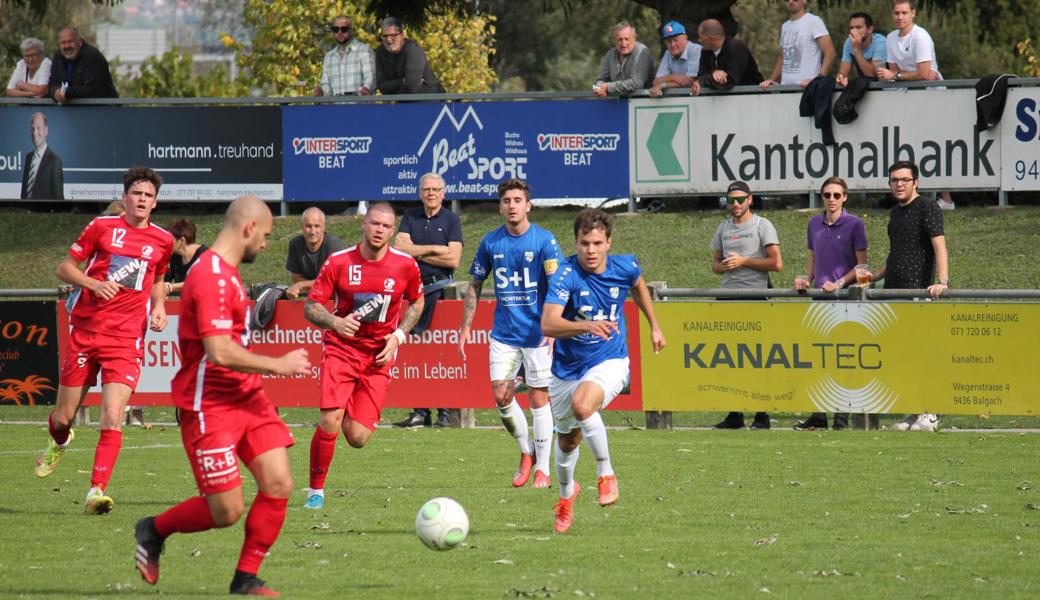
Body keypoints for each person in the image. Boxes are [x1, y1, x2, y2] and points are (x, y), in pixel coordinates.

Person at [133, 196, 311, 596]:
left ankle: (245, 579)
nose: (265, 244)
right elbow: (219, 351)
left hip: (247, 399)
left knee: (279, 482)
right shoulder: (210, 275)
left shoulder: (226, 272)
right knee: (226, 511)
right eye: (264, 235)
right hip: (208, 405)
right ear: (248, 228)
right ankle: (153, 529)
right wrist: (277, 365)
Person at [35, 167, 173, 514]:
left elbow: (157, 277)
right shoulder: (101, 228)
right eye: (137, 194)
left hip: (126, 338)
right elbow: (64, 269)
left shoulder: (163, 240)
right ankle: (60, 439)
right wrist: (93, 284)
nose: (142, 200)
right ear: (125, 197)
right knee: (64, 417)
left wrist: (158, 306)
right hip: (85, 331)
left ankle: (96, 491)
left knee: (112, 415)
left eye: (149, 196)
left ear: (155, 204)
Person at [541, 209, 665, 533]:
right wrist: (586, 324)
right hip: (566, 369)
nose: (591, 250)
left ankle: (606, 474)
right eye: (584, 243)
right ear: (576, 243)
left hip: (610, 360)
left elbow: (638, 285)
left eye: (597, 243)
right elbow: (548, 323)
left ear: (609, 242)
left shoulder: (625, 265)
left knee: (584, 405)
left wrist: (654, 325)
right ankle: (566, 496)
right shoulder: (565, 274)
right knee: (568, 440)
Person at [302, 202, 424, 510]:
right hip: (341, 350)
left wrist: (398, 337)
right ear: (363, 224)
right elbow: (311, 306)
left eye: (385, 226)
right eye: (374, 224)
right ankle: (315, 491)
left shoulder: (405, 265)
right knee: (329, 419)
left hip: (377, 357)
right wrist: (335, 321)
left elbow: (417, 302)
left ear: (393, 230)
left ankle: (347, 414)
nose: (379, 230)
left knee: (357, 437)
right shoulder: (338, 262)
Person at [459, 179, 562, 488]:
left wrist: (555, 326)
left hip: (538, 333)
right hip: (504, 333)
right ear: (501, 206)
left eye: (518, 200)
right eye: (507, 200)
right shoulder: (491, 243)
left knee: (538, 397)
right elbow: (474, 284)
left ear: (528, 205)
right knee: (501, 396)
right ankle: (526, 452)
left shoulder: (545, 241)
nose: (512, 205)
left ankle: (543, 469)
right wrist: (466, 326)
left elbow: (558, 286)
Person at [863, 160, 948, 432]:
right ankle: (915, 412)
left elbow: (939, 247)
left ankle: (931, 412)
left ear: (916, 182)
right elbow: (896, 254)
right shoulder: (895, 214)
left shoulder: (928, 207)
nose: (899, 184)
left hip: (918, 293)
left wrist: (942, 281)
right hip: (893, 293)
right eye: (894, 180)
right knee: (905, 357)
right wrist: (875, 276)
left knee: (924, 355)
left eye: (904, 179)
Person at [792, 177, 868, 431]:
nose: (831, 199)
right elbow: (813, 259)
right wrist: (806, 279)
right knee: (819, 358)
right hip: (819, 300)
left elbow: (862, 267)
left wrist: (838, 283)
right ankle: (819, 415)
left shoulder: (855, 224)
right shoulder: (814, 223)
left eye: (836, 195)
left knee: (843, 359)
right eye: (827, 195)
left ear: (845, 197)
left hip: (846, 300)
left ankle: (842, 416)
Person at [392, 173, 463, 428]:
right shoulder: (410, 216)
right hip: (411, 293)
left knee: (439, 353)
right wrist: (436, 248)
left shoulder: (452, 220)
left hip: (440, 291)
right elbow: (399, 251)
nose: (431, 193)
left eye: (435, 189)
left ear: (443, 192)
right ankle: (420, 412)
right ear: (420, 192)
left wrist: (416, 253)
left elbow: (453, 260)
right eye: (426, 189)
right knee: (416, 353)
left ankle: (445, 412)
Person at [710, 181, 783, 430]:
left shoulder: (763, 225)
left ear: (750, 200)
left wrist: (744, 261)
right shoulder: (723, 227)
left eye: (741, 199)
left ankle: (762, 414)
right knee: (729, 358)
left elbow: (776, 263)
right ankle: (734, 414)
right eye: (731, 200)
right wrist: (725, 266)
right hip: (728, 297)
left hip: (755, 296)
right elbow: (715, 264)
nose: (736, 204)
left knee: (758, 358)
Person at [875, 0, 954, 210]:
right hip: (908, 97)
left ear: (913, 14)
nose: (900, 17)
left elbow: (925, 73)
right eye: (896, 13)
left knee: (935, 147)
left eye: (904, 12)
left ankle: (946, 199)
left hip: (932, 97)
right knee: (910, 147)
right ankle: (912, 197)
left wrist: (899, 76)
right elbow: (896, 72)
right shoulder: (891, 38)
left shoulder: (921, 36)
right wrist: (900, 76)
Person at [760, 0, 836, 89]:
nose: (791, 1)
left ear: (804, 1)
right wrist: (771, 79)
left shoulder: (814, 21)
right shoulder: (785, 26)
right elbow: (783, 57)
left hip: (807, 89)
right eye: (787, 0)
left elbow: (830, 53)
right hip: (786, 89)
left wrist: (818, 80)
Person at [285, 207, 347, 300]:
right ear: (301, 227)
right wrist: (311, 288)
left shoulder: (334, 245)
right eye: (308, 226)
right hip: (314, 295)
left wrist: (301, 285)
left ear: (324, 227)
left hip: (339, 296)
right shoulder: (295, 244)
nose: (312, 231)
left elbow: (331, 282)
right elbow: (296, 277)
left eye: (317, 226)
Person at [690, 18, 763, 96]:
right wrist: (714, 72)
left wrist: (704, 80)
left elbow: (730, 81)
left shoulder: (737, 47)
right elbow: (701, 75)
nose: (699, 40)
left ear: (709, 38)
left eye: (701, 37)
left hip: (752, 97)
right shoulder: (706, 51)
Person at [48, 27, 118, 103]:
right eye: (63, 43)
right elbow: (53, 82)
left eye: (70, 41)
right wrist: (55, 93)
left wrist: (65, 92)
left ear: (80, 42)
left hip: (103, 108)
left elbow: (92, 90)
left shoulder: (92, 56)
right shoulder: (58, 56)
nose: (67, 46)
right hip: (72, 110)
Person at [375, 17, 443, 94]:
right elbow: (382, 87)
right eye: (385, 36)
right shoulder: (380, 51)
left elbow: (411, 89)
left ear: (402, 35)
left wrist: (394, 87)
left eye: (393, 35)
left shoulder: (412, 51)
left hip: (432, 101)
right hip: (402, 102)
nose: (388, 40)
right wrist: (402, 81)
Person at [315, 14, 375, 96]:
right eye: (336, 29)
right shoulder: (329, 57)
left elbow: (371, 78)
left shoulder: (364, 51)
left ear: (352, 31)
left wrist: (366, 88)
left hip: (360, 107)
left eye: (344, 29)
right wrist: (321, 92)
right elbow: (326, 86)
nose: (339, 32)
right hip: (336, 108)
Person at [593, 21, 655, 98]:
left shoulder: (642, 52)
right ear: (614, 41)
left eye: (627, 39)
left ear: (634, 39)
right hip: (622, 103)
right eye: (620, 40)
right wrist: (600, 88)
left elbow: (636, 83)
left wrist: (608, 87)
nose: (623, 44)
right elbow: (601, 79)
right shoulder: (610, 54)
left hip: (645, 102)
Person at [649, 21, 702, 97]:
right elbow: (656, 82)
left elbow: (689, 81)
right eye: (669, 41)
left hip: (701, 98)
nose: (672, 44)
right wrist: (674, 77)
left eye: (675, 40)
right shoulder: (668, 54)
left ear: (685, 38)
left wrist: (663, 85)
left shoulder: (695, 50)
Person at [835, 12, 887, 87]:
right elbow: (843, 71)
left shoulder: (880, 42)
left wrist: (856, 49)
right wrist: (841, 77)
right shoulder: (849, 42)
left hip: (883, 87)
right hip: (864, 86)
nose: (854, 31)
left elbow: (872, 75)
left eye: (858, 27)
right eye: (852, 28)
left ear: (870, 29)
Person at [20, 112, 64, 200]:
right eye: (32, 128)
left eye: (38, 128)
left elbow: (59, 200)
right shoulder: (28, 158)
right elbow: (24, 194)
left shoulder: (54, 161)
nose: (35, 133)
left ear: (46, 131)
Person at [163, 218, 208, 297]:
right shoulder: (174, 256)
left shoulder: (205, 255)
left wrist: (171, 287)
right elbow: (164, 280)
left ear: (182, 240)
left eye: (169, 239)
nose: (165, 242)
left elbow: (199, 282)